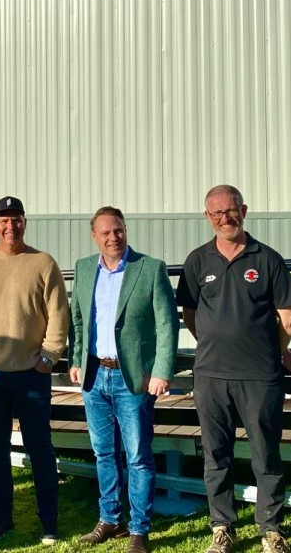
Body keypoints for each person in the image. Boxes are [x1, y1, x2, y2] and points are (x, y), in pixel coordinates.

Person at [176, 185, 291, 553]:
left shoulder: (268, 259)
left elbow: (288, 320)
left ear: (243, 210)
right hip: (211, 376)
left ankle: (272, 530)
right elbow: (190, 314)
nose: (224, 219)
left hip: (259, 376)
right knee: (217, 455)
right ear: (207, 217)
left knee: (266, 454)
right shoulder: (197, 260)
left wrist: (268, 352)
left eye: (230, 211)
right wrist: (217, 344)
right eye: (216, 213)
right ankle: (223, 527)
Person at [68, 207, 178, 553]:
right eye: (106, 233)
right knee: (103, 453)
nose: (113, 238)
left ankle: (138, 529)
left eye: (118, 231)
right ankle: (109, 518)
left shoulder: (149, 268)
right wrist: (76, 360)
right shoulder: (85, 269)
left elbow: (167, 324)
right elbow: (78, 321)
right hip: (94, 375)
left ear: (125, 230)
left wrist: (162, 370)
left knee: (138, 456)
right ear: (94, 237)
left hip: (134, 379)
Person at [0, 195, 70, 545]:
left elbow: (59, 315)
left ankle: (49, 521)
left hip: (31, 373)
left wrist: (49, 357)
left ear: (25, 222)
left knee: (40, 446)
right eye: (4, 220)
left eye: (17, 219)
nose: (11, 226)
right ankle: (1, 516)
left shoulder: (43, 263)